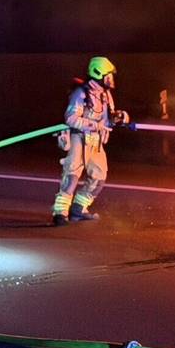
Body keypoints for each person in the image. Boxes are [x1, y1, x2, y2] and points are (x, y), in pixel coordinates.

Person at [52, 56, 129, 226]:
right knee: (71, 176)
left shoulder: (106, 95)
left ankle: (79, 208)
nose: (111, 80)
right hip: (78, 137)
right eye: (108, 76)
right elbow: (71, 118)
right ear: (98, 74)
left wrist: (118, 118)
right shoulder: (81, 93)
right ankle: (60, 213)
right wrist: (92, 125)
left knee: (99, 177)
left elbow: (108, 120)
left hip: (96, 141)